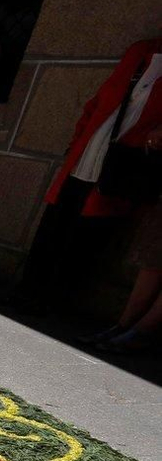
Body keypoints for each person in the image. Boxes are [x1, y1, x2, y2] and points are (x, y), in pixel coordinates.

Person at [21, 37, 162, 352]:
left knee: (86, 237)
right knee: (55, 223)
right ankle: (27, 292)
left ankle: (54, 301)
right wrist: (78, 137)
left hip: (121, 167)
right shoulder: (142, 52)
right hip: (91, 149)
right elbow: (102, 98)